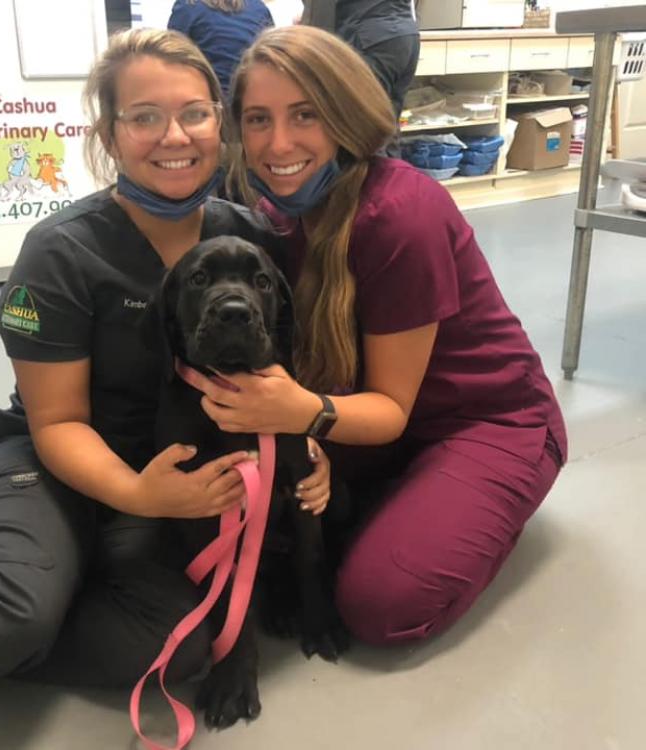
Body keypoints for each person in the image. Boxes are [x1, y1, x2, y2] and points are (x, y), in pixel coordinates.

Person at [0, 27, 330, 743]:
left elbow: (280, 360)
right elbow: (56, 422)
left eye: (194, 113)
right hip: (53, 462)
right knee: (16, 607)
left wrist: (312, 439)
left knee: (181, 647)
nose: (174, 136)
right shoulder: (61, 251)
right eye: (144, 116)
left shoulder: (248, 235)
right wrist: (138, 494)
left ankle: (11, 593)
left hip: (172, 481)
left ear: (218, 125)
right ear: (108, 133)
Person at [183, 24, 568, 647]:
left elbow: (388, 407)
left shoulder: (399, 216)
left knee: (380, 603)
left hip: (485, 421)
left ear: (346, 113)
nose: (278, 143)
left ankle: (489, 503)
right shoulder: (275, 216)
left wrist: (304, 416)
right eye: (257, 119)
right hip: (369, 421)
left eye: (305, 114)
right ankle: (411, 504)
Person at [299, 0, 420, 124]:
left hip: (370, 38)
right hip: (406, 33)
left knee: (358, 119)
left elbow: (318, 19)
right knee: (387, 118)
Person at [167, 0, 274, 101]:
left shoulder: (188, 6)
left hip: (210, 99)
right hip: (251, 99)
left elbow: (170, 58)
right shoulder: (259, 8)